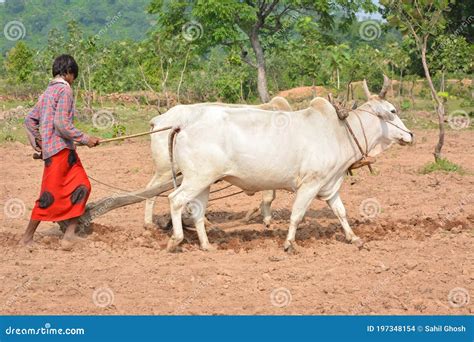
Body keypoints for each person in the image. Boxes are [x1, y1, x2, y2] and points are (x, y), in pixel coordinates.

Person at [20, 54, 100, 248]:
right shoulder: (65, 91)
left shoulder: (47, 93)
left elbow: (29, 120)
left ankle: (69, 235)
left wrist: (39, 143)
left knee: (82, 186)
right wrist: (85, 139)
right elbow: (61, 124)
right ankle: (27, 238)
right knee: (49, 196)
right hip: (59, 152)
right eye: (73, 75)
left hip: (62, 151)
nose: (73, 80)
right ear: (69, 73)